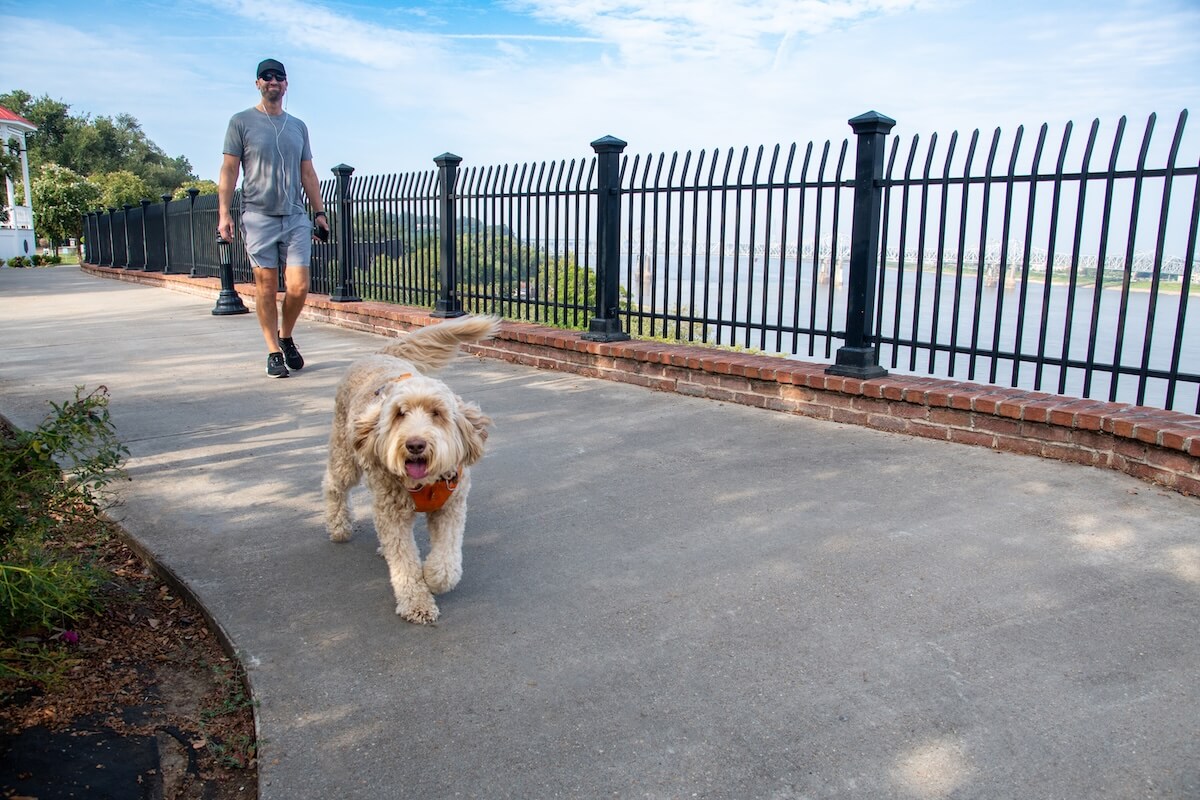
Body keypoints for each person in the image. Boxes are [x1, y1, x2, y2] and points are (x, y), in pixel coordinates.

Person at [218, 58, 330, 378]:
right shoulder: (241, 122)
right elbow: (229, 170)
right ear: (257, 83)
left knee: (298, 286)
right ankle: (272, 350)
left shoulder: (298, 126)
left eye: (278, 77)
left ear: (286, 84)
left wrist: (319, 212)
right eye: (266, 77)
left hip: (295, 216)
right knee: (265, 287)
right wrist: (224, 214)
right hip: (258, 216)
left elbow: (307, 171)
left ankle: (286, 335)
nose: (273, 82)